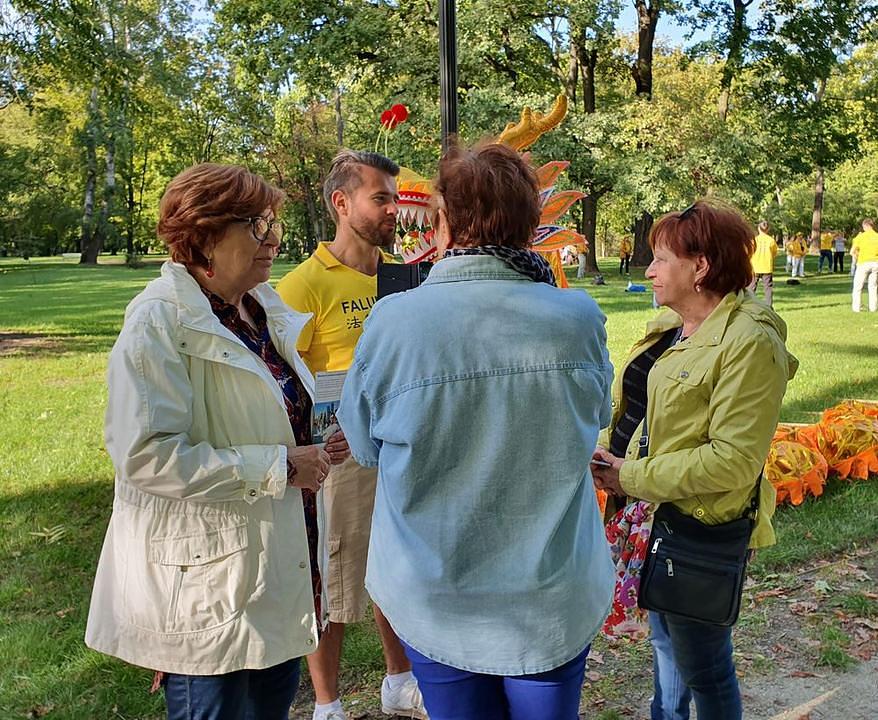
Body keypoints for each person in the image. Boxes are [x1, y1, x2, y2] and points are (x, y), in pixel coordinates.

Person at [337, 143, 615, 720]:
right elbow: (594, 419)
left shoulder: (394, 321)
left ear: (443, 221)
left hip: (435, 591)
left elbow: (362, 445)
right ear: (528, 227)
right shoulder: (577, 318)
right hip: (548, 593)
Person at [85, 163, 350, 720]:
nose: (273, 239)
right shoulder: (160, 321)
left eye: (273, 223)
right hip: (208, 586)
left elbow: (271, 414)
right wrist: (280, 466)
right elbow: (146, 455)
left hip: (276, 573)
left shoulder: (260, 308)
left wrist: (320, 439)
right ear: (204, 236)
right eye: (257, 226)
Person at [591, 200, 797, 720]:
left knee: (704, 667)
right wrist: (611, 454)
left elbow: (733, 460)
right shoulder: (677, 324)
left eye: (662, 259)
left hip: (699, 524)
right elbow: (650, 412)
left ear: (700, 267)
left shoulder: (749, 341)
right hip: (656, 512)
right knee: (667, 641)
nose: (649, 270)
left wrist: (629, 476)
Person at [276, 150, 427, 720]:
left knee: (397, 570)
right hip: (341, 457)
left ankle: (399, 681)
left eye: (395, 197)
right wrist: (314, 445)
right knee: (335, 575)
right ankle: (327, 704)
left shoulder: (404, 276)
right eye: (380, 197)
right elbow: (286, 378)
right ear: (341, 203)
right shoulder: (304, 285)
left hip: (402, 447)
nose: (393, 208)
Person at [851, 218, 878, 312]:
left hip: (863, 263)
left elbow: (852, 251)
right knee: (873, 286)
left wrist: (857, 256)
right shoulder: (877, 236)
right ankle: (873, 308)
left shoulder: (861, 237)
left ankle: (856, 308)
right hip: (875, 263)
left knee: (858, 287)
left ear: (865, 226)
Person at [748, 220, 777, 306]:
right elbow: (774, 253)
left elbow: (749, 252)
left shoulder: (754, 240)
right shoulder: (771, 240)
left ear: (758, 228)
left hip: (755, 267)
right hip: (767, 267)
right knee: (768, 288)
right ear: (768, 229)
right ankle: (769, 305)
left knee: (751, 287)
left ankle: (749, 304)